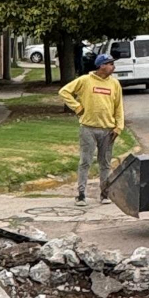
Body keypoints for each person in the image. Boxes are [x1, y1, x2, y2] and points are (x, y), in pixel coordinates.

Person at [60, 52, 124, 202]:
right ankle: (81, 194)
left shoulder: (114, 84)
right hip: (88, 128)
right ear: (101, 66)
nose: (113, 67)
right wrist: (77, 107)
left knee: (105, 163)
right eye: (110, 64)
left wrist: (118, 127)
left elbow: (119, 107)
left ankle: (105, 193)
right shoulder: (85, 80)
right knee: (85, 161)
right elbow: (64, 92)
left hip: (108, 130)